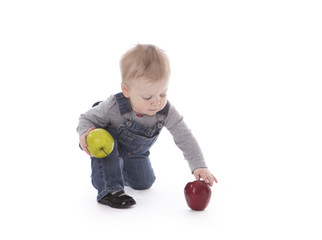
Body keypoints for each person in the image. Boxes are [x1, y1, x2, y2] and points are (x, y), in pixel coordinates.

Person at [77, 44, 217, 208]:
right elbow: (85, 118)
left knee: (144, 183)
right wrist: (84, 135)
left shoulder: (165, 111)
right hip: (109, 147)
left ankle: (120, 169)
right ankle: (110, 190)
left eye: (162, 93)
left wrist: (199, 165)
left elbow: (184, 136)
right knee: (108, 149)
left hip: (137, 152)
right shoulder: (113, 106)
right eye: (148, 97)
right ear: (126, 91)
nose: (157, 101)